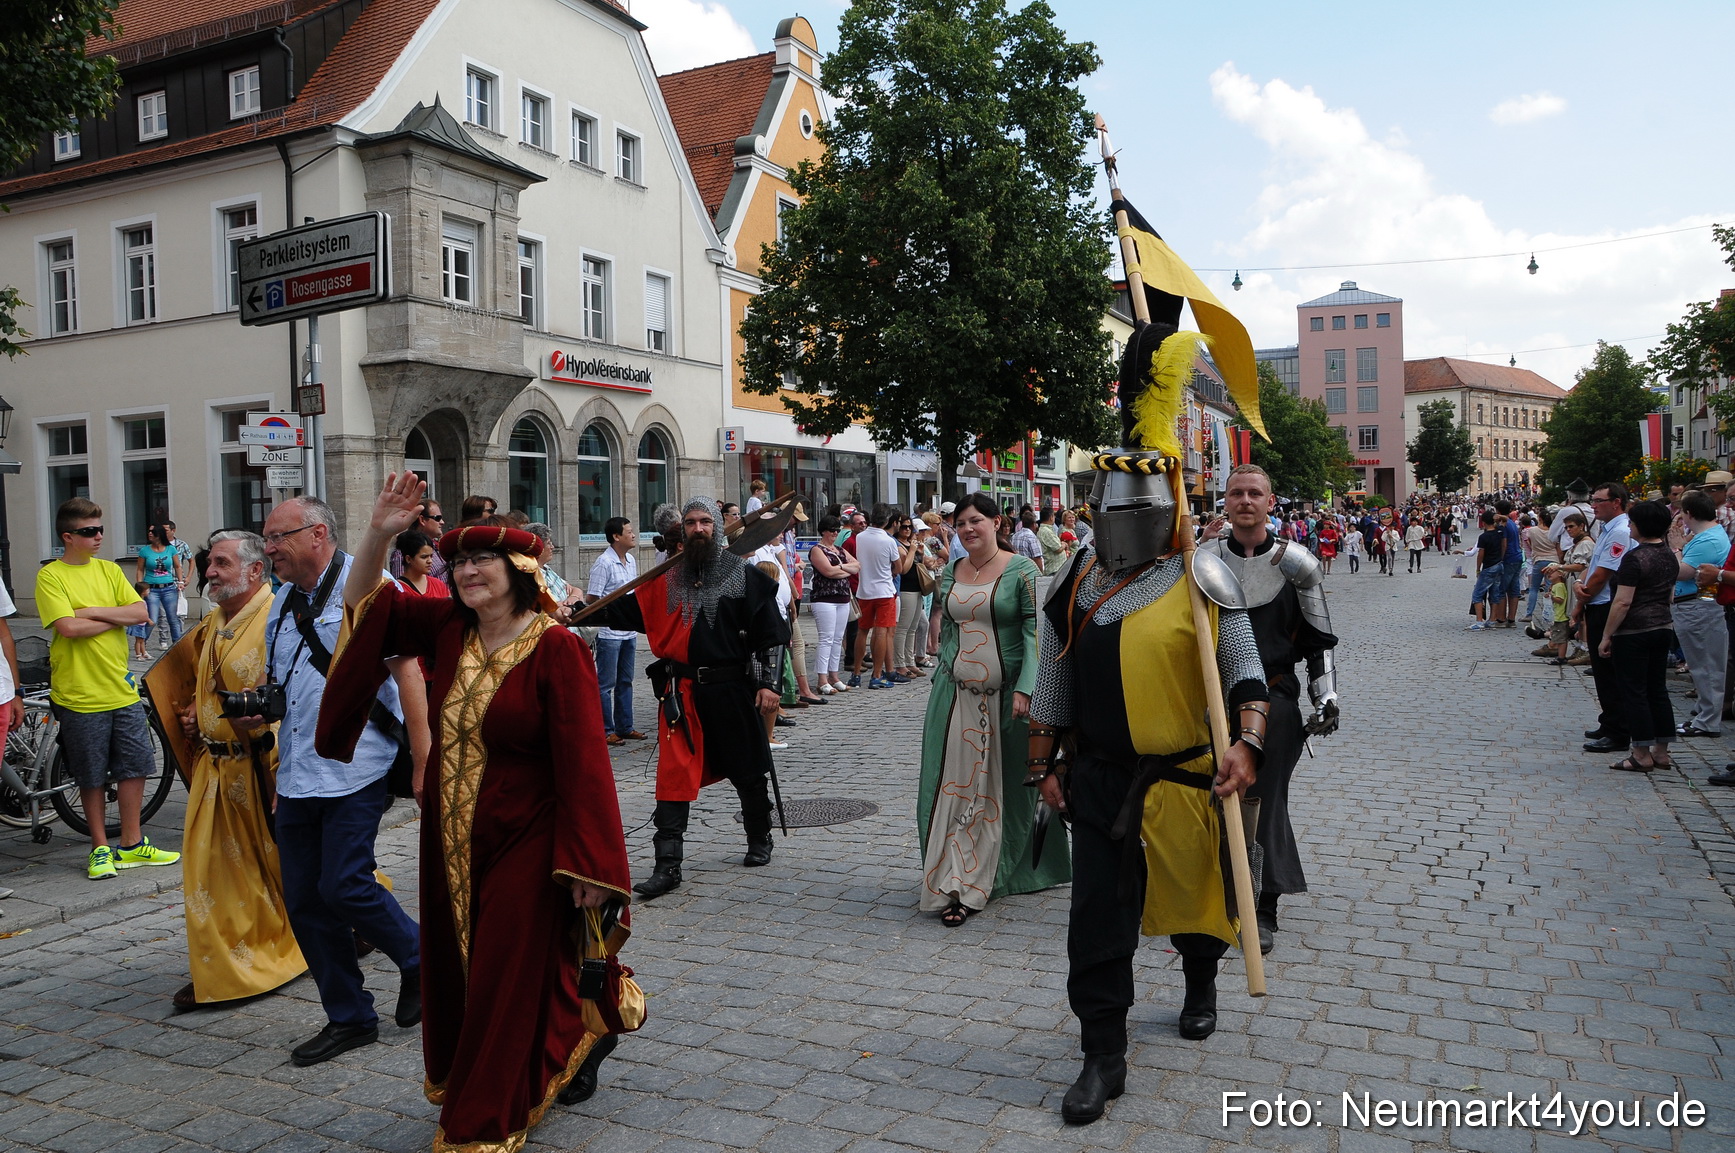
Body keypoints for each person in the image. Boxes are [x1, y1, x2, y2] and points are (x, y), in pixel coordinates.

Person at [319, 472, 633, 1146]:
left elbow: (584, 764)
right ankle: (576, 1029)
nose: (464, 572)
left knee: (502, 968)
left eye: (479, 560)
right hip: (453, 835)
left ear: (517, 567)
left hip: (530, 833)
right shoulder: (446, 627)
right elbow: (362, 603)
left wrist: (588, 862)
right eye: (455, 561)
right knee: (469, 964)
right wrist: (377, 530)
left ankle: (484, 1115)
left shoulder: (556, 648)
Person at [1028, 446, 1268, 1124]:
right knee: (1096, 920)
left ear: (1163, 511)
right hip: (1101, 778)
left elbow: (1243, 668)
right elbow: (1055, 672)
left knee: (1193, 895)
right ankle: (1102, 1053)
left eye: (1129, 507)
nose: (1113, 519)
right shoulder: (1077, 573)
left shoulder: (1201, 571)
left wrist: (1247, 742)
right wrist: (1042, 763)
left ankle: (1199, 983)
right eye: (1104, 504)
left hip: (1186, 777)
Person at [260, 496, 424, 1066]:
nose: (269, 548)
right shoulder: (281, 604)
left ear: (317, 534)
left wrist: (425, 756)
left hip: (359, 765)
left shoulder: (376, 586)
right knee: (304, 901)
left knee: (344, 883)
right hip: (300, 773)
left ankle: (420, 956)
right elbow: (288, 695)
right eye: (266, 538)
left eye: (278, 536)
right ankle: (350, 1017)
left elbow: (410, 675)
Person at [590, 497, 790, 897]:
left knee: (748, 768)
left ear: (717, 527)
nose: (697, 529)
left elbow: (772, 633)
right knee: (673, 776)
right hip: (681, 694)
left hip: (732, 688)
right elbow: (623, 613)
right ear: (681, 530)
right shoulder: (666, 580)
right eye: (690, 523)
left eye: (704, 522)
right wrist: (580, 609)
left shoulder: (744, 576)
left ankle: (758, 837)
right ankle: (668, 867)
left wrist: (769, 684)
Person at [164, 531, 306, 1011]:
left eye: (221, 564)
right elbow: (210, 687)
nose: (209, 572)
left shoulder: (279, 619)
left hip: (264, 769)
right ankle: (227, 969)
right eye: (209, 564)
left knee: (287, 866)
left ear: (254, 571)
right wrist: (194, 713)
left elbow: (295, 703)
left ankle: (340, 929)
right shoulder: (214, 621)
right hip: (216, 771)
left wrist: (286, 776)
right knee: (217, 875)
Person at [1201, 465, 1339, 955]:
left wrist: (1325, 695)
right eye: (1236, 492)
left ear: (1269, 500)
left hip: (1276, 700)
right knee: (1208, 796)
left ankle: (1262, 905)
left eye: (1253, 493)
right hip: (1210, 700)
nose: (1244, 500)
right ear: (1226, 500)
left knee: (1264, 797)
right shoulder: (1201, 561)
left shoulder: (1297, 563)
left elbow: (1319, 640)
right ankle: (1210, 896)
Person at [917, 493, 1070, 929]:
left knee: (1004, 790)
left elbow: (1035, 630)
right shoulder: (952, 570)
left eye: (976, 521)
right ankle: (955, 879)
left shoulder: (1022, 569)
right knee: (951, 786)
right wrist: (947, 671)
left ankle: (997, 873)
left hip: (1007, 699)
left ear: (996, 523)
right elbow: (949, 626)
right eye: (961, 523)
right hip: (954, 697)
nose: (968, 529)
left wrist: (1026, 687)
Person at [35, 498, 177, 880]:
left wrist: (88, 612)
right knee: (90, 773)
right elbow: (67, 628)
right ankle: (100, 848)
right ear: (68, 536)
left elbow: (140, 614)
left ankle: (131, 844)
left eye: (100, 529)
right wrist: (111, 618)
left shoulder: (111, 570)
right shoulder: (51, 576)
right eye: (88, 531)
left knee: (136, 766)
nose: (98, 536)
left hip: (120, 685)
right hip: (79, 691)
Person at [1598, 502, 1681, 772]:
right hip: (1662, 626)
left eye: (1632, 522)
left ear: (1641, 525)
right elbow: (1669, 594)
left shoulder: (1635, 559)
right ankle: (1662, 751)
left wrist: (1607, 635)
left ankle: (1641, 753)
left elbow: (1622, 602)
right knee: (1658, 689)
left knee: (1634, 692)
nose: (1629, 526)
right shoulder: (1668, 555)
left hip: (1635, 631)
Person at [1578, 484, 1634, 754]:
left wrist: (1584, 595)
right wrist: (1580, 585)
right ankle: (1608, 720)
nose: (1593, 505)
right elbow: (1592, 566)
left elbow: (1603, 575)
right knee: (1601, 671)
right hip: (1595, 602)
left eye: (1599, 501)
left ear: (1617, 502)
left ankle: (1618, 730)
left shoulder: (1621, 532)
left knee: (1609, 671)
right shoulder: (1607, 528)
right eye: (1593, 500)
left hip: (1605, 603)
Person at [1672, 491, 1728, 739]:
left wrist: (1676, 547)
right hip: (1694, 606)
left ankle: (1708, 721)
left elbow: (1682, 571)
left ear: (1689, 514)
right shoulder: (1706, 535)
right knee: (1701, 664)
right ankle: (1704, 713)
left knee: (1706, 665)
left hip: (1699, 606)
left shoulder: (1708, 540)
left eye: (1682, 513)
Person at [586, 517, 644, 746]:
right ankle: (606, 729)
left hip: (628, 632)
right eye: (628, 532)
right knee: (606, 683)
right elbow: (592, 597)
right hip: (609, 633)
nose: (633, 535)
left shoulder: (630, 559)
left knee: (626, 681)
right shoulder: (604, 563)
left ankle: (625, 726)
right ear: (616, 537)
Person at [849, 507, 902, 690]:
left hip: (864, 590)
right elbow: (899, 567)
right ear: (887, 521)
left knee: (862, 631)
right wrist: (892, 572)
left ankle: (856, 673)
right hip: (884, 591)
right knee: (881, 632)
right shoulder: (888, 541)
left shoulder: (860, 537)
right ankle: (877, 675)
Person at [807, 516, 857, 695]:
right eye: (832, 530)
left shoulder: (839, 549)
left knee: (837, 639)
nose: (835, 533)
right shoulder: (817, 550)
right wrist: (845, 570)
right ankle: (822, 679)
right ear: (824, 531)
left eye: (837, 530)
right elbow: (827, 571)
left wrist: (839, 568)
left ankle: (834, 676)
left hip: (842, 597)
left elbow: (857, 566)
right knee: (826, 638)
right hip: (824, 598)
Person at [136, 523, 185, 648]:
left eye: (153, 532)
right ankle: (142, 644)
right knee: (152, 618)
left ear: (160, 534)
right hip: (151, 589)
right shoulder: (144, 551)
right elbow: (140, 569)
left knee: (173, 618)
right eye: (149, 532)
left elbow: (177, 566)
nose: (150, 534)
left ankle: (177, 645)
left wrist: (180, 581)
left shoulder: (170, 549)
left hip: (169, 587)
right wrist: (140, 586)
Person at [893, 518, 930, 680]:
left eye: (910, 527)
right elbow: (904, 569)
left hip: (917, 588)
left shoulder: (911, 544)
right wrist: (913, 551)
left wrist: (919, 553)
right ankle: (899, 663)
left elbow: (919, 566)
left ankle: (910, 661)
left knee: (913, 628)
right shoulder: (898, 545)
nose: (907, 530)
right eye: (904, 527)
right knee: (903, 628)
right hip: (905, 589)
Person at [389, 500, 451, 585]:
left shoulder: (436, 548)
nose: (442, 522)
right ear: (422, 520)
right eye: (437, 518)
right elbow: (402, 590)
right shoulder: (403, 552)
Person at [1466, 512, 1507, 630]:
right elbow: (1504, 544)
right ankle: (1492, 620)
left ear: (1483, 522)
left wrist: (1478, 568)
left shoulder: (1483, 537)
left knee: (1477, 594)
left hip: (1488, 566)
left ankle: (1479, 621)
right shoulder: (1500, 531)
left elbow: (1481, 554)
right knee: (1495, 593)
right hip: (1499, 564)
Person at [1037, 507, 1066, 574]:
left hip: (1056, 569)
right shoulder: (1046, 531)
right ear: (1051, 517)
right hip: (1054, 569)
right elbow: (1058, 549)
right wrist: (1064, 545)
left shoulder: (1046, 530)